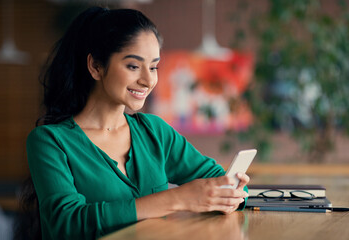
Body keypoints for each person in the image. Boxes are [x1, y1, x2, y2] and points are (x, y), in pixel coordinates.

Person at [21, 6, 250, 240]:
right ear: (96, 66)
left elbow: (220, 179)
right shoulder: (49, 141)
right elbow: (66, 223)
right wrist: (177, 199)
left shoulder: (155, 132)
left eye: (153, 67)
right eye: (133, 66)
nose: (148, 80)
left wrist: (234, 193)